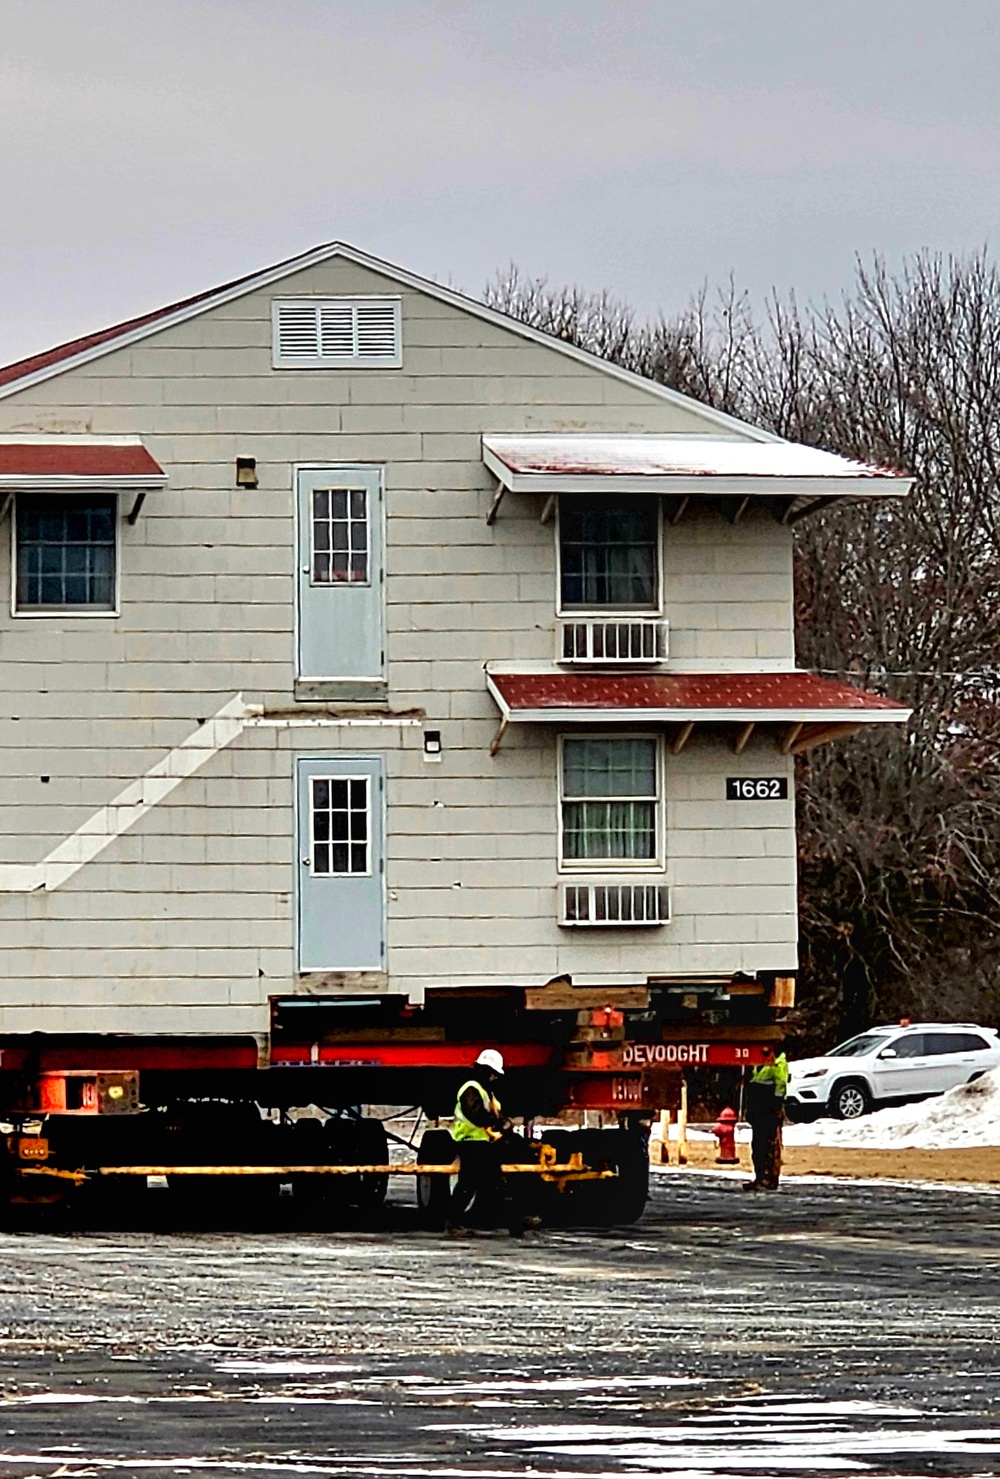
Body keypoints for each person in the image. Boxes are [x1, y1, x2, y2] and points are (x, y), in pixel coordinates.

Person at [447, 1049, 520, 1232]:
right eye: (493, 1073)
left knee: (493, 1184)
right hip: (471, 1142)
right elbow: (477, 1115)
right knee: (469, 1183)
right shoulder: (471, 1089)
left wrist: (504, 1126)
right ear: (485, 1070)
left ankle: (513, 1222)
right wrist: (499, 1123)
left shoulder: (487, 1093)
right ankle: (454, 1222)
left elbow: (492, 1115)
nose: (495, 1078)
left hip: (484, 1143)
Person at [743, 1051, 788, 1191]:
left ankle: (769, 1179)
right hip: (759, 1109)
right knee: (758, 1147)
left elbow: (780, 1084)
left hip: (770, 1109)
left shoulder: (778, 1061)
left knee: (770, 1146)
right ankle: (760, 1177)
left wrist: (775, 1106)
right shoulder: (758, 1061)